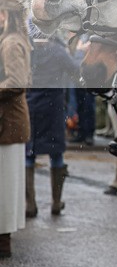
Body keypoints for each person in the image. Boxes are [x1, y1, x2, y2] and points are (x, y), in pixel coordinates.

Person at [25, 23, 81, 218]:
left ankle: (29, 205)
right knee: (56, 154)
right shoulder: (58, 51)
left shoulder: (28, 49)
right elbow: (76, 71)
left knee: (29, 154)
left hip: (31, 106)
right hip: (53, 109)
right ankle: (56, 203)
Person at [0, 0, 32, 258]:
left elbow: (16, 82)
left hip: (7, 122)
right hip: (9, 121)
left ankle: (3, 241)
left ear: (6, 15)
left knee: (6, 185)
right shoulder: (14, 39)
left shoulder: (10, 42)